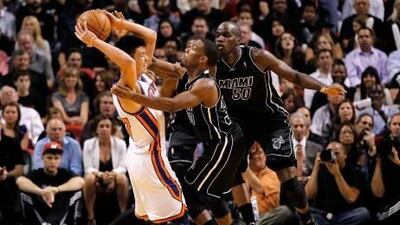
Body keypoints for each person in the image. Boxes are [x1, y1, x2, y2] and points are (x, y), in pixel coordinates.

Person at [214, 21, 346, 225]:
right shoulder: (214, 63)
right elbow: (184, 71)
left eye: (225, 35)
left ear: (239, 39)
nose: (219, 39)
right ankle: (250, 222)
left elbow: (294, 76)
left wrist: (324, 88)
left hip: (270, 120)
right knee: (232, 169)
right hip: (239, 123)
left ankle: (306, 218)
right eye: (218, 35)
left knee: (286, 175)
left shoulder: (257, 56)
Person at [112, 36, 249, 225]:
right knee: (200, 191)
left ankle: (249, 221)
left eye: (192, 47)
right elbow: (149, 61)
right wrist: (123, 34)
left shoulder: (205, 83)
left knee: (198, 191)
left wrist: (134, 96)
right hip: (208, 139)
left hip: (225, 141)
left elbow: (172, 105)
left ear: (202, 59)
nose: (186, 48)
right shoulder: (184, 72)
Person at [74, 10, 186, 224]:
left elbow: (151, 35)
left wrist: (121, 25)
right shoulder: (126, 88)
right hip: (149, 158)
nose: (148, 59)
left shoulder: (142, 76)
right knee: (178, 215)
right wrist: (94, 41)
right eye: (141, 56)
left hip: (146, 154)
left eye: (146, 55)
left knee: (156, 218)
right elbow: (126, 61)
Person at [17, 141, 85, 225]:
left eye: (56, 158)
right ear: (43, 158)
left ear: (60, 159)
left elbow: (80, 181)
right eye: (49, 157)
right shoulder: (36, 173)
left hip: (61, 213)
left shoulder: (65, 173)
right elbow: (20, 181)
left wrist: (56, 189)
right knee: (24, 191)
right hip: (39, 212)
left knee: (74, 191)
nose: (53, 161)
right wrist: (42, 192)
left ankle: (51, 222)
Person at [305, 141, 370, 225]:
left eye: (337, 153)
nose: (333, 156)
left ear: (345, 155)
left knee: (363, 213)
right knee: (303, 212)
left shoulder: (355, 173)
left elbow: (351, 198)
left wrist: (337, 174)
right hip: (323, 215)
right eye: (330, 153)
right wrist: (316, 167)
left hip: (345, 215)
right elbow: (308, 195)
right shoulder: (321, 170)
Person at [82, 115, 129, 224]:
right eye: (101, 126)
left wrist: (112, 174)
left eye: (107, 126)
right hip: (97, 178)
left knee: (122, 178)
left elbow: (123, 167)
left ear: (112, 129)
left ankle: (123, 215)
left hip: (115, 178)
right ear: (96, 129)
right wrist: (101, 175)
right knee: (89, 178)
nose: (104, 129)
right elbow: (88, 167)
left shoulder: (121, 144)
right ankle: (91, 217)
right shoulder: (88, 144)